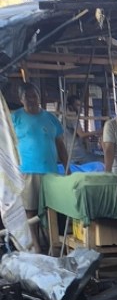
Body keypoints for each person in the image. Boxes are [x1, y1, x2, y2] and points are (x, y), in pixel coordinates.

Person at [11, 83, 67, 237]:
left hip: (50, 171)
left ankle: (52, 243)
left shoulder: (50, 118)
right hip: (27, 170)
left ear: (38, 97)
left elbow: (60, 146)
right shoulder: (15, 118)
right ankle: (36, 246)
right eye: (26, 97)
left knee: (51, 210)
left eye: (33, 96)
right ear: (21, 99)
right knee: (31, 210)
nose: (31, 100)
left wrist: (67, 168)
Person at [62, 94, 94, 166]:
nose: (80, 107)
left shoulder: (65, 116)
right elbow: (81, 134)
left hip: (68, 151)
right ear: (71, 106)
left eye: (80, 105)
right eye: (77, 105)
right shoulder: (72, 116)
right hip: (75, 153)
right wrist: (99, 131)